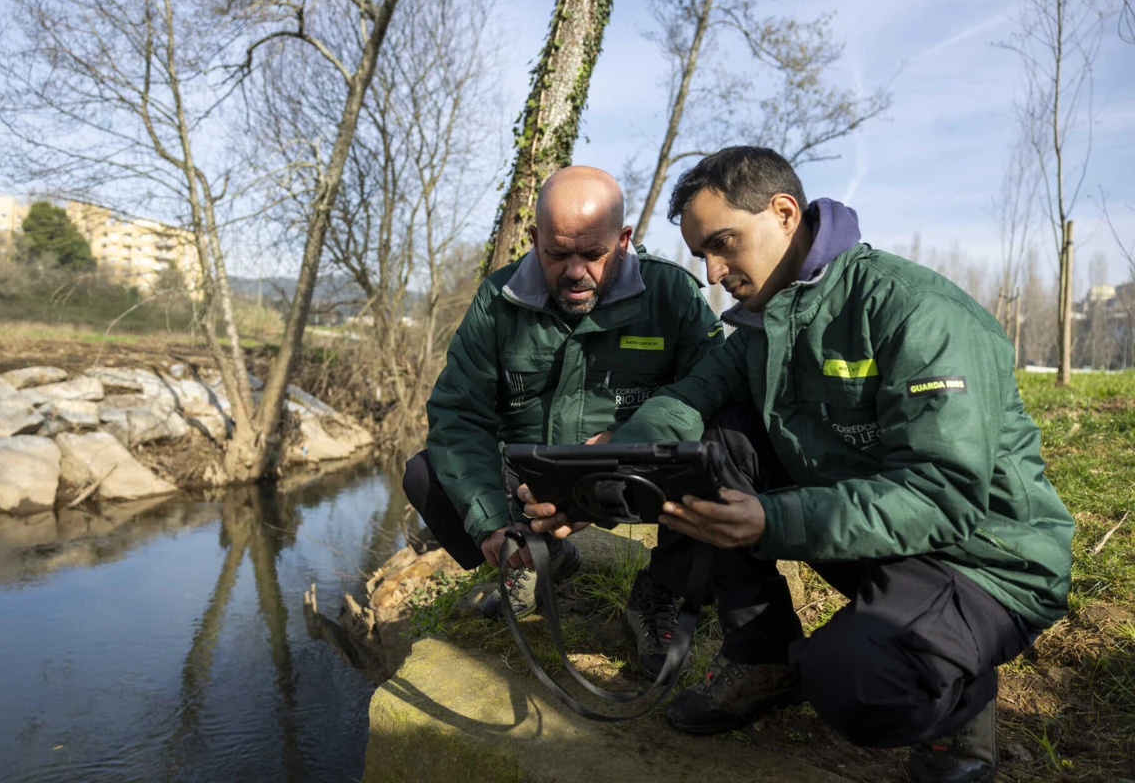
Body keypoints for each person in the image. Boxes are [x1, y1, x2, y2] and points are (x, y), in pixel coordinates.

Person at [518, 147, 1073, 783]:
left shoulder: (915, 312)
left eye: (722, 244)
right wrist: (601, 473)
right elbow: (687, 400)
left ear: (784, 213)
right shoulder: (760, 324)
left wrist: (771, 519)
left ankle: (959, 711)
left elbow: (944, 495)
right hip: (868, 529)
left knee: (851, 682)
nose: (712, 272)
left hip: (982, 558)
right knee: (713, 444)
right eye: (701, 253)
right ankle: (761, 657)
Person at [404, 165, 725, 679]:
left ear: (622, 241)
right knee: (425, 475)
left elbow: (713, 386)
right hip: (535, 477)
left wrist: (626, 444)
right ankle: (538, 559)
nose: (575, 272)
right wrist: (489, 520)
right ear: (534, 240)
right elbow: (458, 412)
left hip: (633, 471)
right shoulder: (498, 300)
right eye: (557, 254)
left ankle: (659, 592)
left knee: (718, 456)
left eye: (592, 255)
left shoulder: (673, 296)